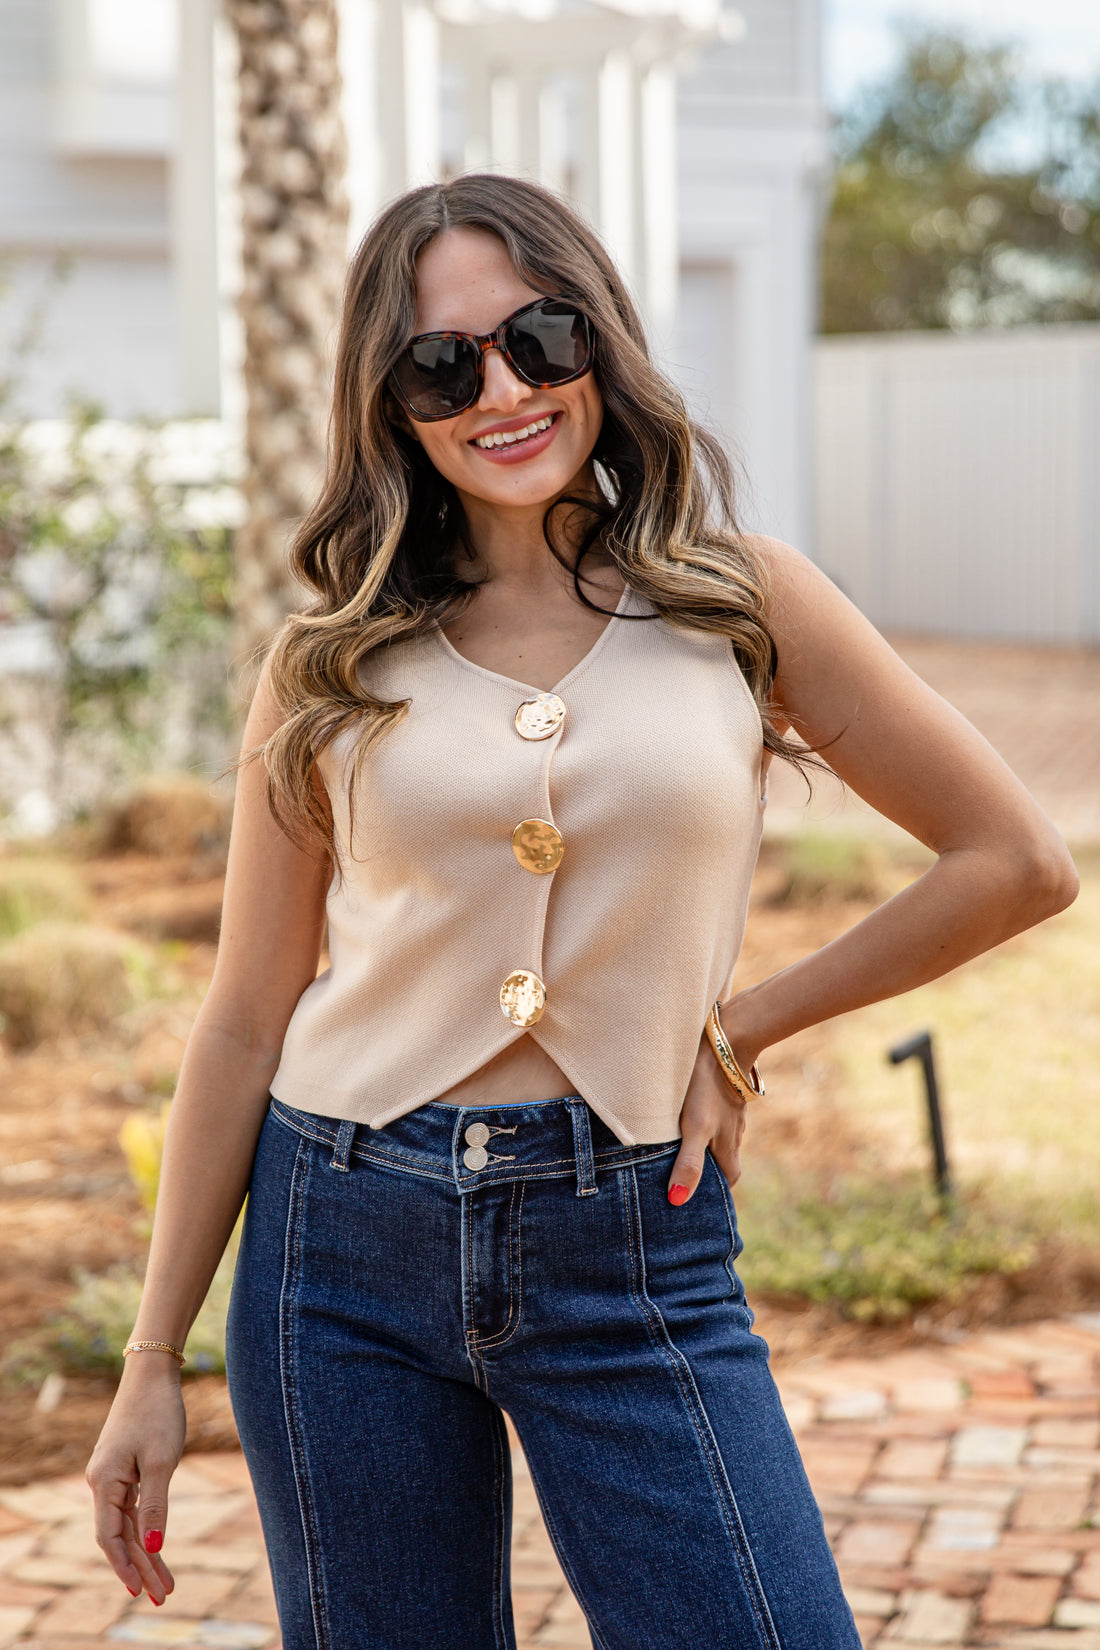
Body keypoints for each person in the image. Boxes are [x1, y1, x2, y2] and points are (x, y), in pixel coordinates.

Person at [86, 173, 1078, 1650]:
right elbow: (245, 1013)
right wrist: (152, 1355)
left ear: (599, 342)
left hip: (631, 1235)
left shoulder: (744, 605)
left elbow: (1015, 857)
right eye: (444, 362)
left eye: (539, 337)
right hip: (335, 1242)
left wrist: (740, 1028)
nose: (503, 388)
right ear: (394, 403)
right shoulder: (328, 658)